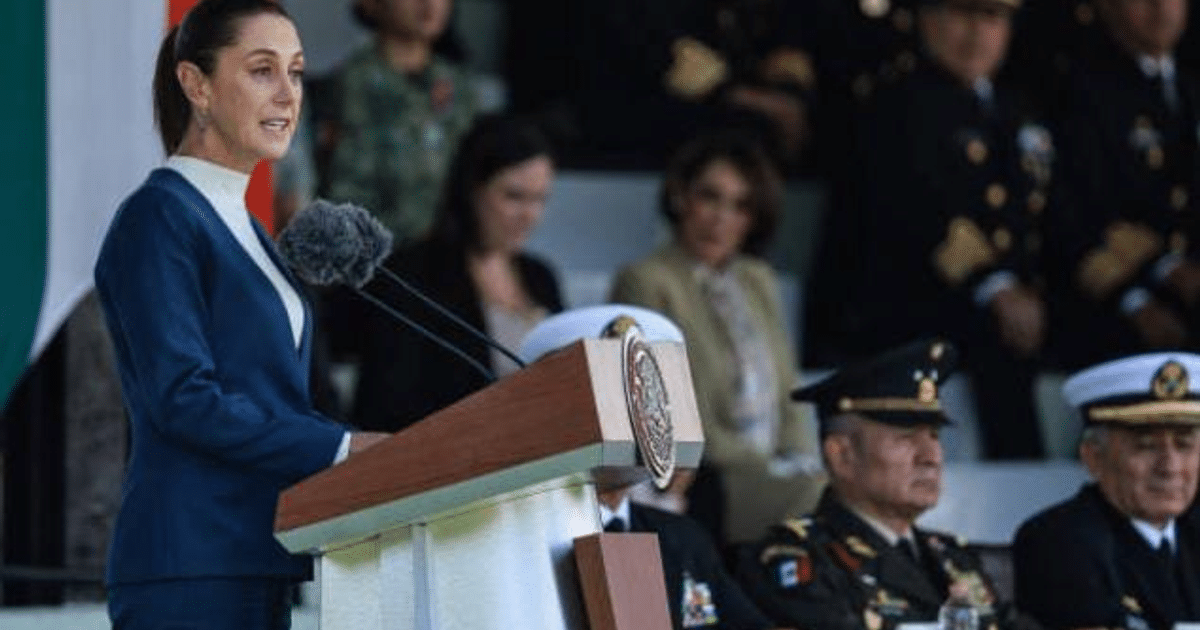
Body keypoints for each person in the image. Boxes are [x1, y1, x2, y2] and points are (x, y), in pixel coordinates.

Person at [92, 1, 390, 627]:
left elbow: (276, 396)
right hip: (190, 563)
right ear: (195, 84)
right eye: (262, 70)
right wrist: (339, 448)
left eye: (299, 72)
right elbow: (184, 396)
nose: (288, 94)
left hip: (260, 554)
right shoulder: (159, 218)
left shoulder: (252, 229)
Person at [819, 0, 1058, 459]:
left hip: (1003, 305)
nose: (976, 33)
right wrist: (997, 286)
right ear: (926, 18)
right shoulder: (894, 102)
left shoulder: (1015, 108)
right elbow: (915, 215)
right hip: (909, 307)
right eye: (961, 14)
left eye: (992, 18)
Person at [609, 131, 824, 546]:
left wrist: (800, 457)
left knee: (845, 489)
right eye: (710, 197)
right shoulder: (646, 280)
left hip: (774, 470)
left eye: (740, 205)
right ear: (680, 197)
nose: (722, 217)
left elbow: (789, 391)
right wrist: (770, 468)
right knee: (823, 498)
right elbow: (665, 407)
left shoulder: (757, 279)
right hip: (705, 475)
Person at [735, 339, 1039, 630]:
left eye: (934, 436)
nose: (931, 457)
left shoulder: (954, 557)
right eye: (906, 438)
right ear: (842, 455)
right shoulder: (800, 560)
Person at [517, 304, 787, 630]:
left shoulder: (681, 537)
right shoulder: (515, 541)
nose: (640, 417)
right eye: (616, 395)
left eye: (652, 395)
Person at [349, 113, 562, 432]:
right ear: (472, 188)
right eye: (514, 196)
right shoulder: (413, 275)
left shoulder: (541, 276)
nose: (530, 215)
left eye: (540, 199)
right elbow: (386, 406)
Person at [1053, 0, 1200, 362]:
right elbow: (1077, 210)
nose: (1161, 8)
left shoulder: (1189, 88)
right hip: (1124, 315)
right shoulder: (1081, 90)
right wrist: (1153, 281)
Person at [1012, 352, 1200, 630]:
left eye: (1184, 446)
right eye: (1146, 446)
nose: (1169, 466)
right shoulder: (1058, 540)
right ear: (1093, 458)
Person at [315, 0, 477, 245]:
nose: (431, 4)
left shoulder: (459, 88)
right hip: (364, 256)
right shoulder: (344, 87)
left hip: (443, 258)